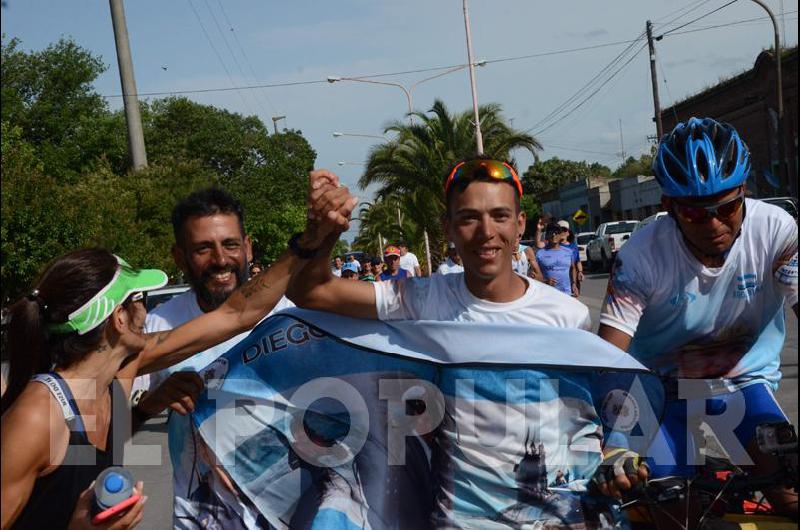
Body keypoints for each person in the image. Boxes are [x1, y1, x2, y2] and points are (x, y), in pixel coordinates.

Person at [598, 117, 798, 516]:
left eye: (728, 207)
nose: (715, 224)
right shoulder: (641, 255)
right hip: (660, 391)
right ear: (668, 206)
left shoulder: (777, 231)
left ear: (745, 191)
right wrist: (613, 439)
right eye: (695, 213)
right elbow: (607, 359)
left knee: (791, 495)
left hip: (744, 384)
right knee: (672, 508)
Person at [130, 188, 296, 529]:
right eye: (203, 249)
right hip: (203, 517)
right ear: (179, 257)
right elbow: (107, 427)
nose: (220, 259)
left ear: (247, 247)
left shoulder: (291, 319)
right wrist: (151, 403)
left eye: (230, 245)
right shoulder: (159, 327)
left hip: (291, 512)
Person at [535, 223, 576, 296]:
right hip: (548, 295)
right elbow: (533, 275)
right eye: (551, 233)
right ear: (547, 235)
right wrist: (545, 281)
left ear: (560, 235)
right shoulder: (540, 254)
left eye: (556, 233)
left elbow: (573, 268)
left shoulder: (568, 251)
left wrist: (574, 284)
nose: (554, 235)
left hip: (567, 294)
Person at [560, 224, 583, 296]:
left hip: (573, 275)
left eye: (565, 230)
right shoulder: (556, 247)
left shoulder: (573, 246)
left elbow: (578, 261)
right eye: (560, 231)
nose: (562, 233)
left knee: (575, 296)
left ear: (568, 233)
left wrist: (580, 272)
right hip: (563, 275)